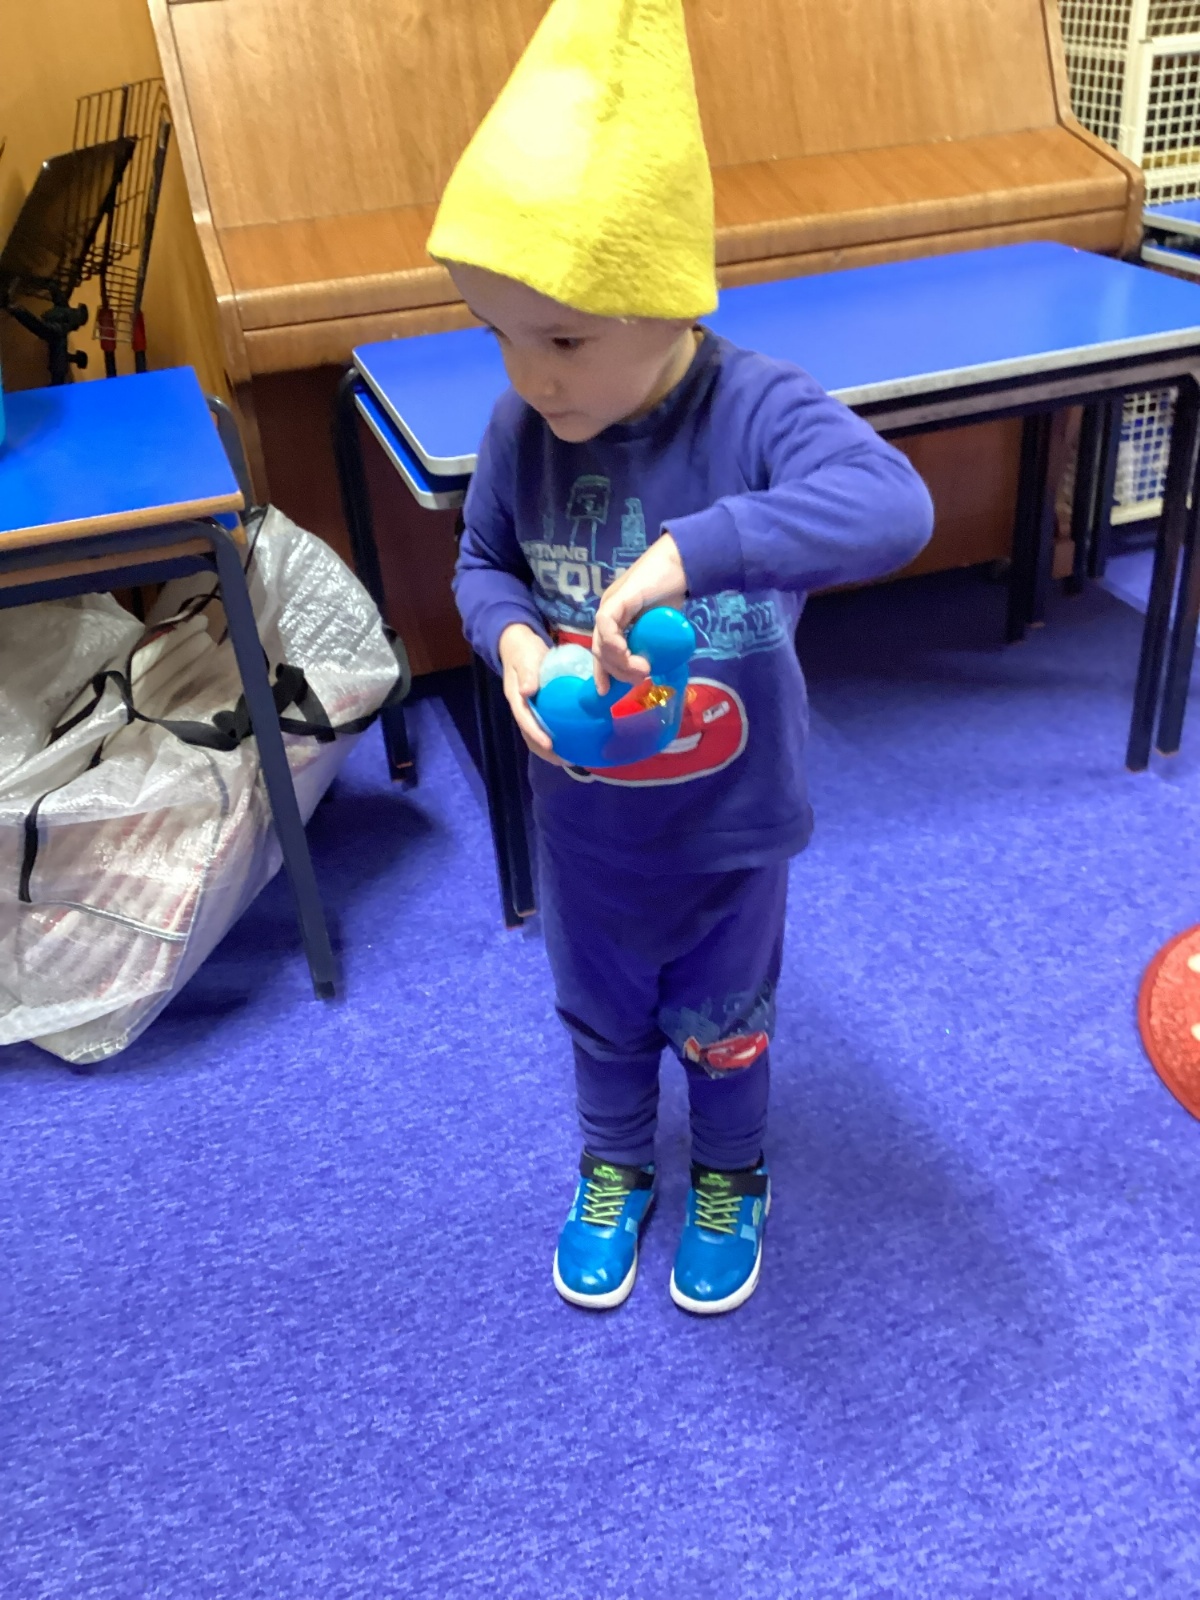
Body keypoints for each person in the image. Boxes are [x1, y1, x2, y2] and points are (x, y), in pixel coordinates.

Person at [432, 0, 934, 1315]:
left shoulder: (753, 409)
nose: (530, 375)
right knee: (598, 1015)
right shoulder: (523, 426)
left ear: (668, 297)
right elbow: (482, 563)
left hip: (729, 827)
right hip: (585, 824)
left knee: (726, 1020)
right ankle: (614, 1164)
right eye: (497, 331)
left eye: (563, 338)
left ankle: (728, 1171)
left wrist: (694, 551)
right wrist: (516, 642)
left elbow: (894, 508)